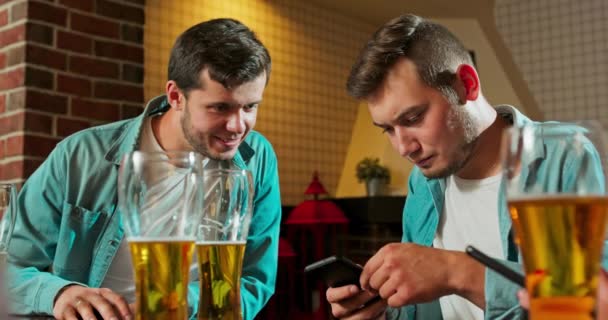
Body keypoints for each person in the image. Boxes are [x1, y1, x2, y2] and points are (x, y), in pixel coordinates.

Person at [326, 13, 608, 320]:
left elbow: (587, 304)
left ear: (467, 85)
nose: (403, 148)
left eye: (413, 119)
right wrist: (377, 312)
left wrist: (455, 271)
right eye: (388, 129)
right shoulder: (422, 184)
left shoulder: (562, 155)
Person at [7, 18, 281, 320]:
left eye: (250, 107)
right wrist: (59, 294)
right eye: (220, 107)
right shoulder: (80, 155)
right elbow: (9, 266)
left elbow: (254, 280)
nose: (237, 126)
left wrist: (175, 305)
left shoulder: (258, 158)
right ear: (175, 96)